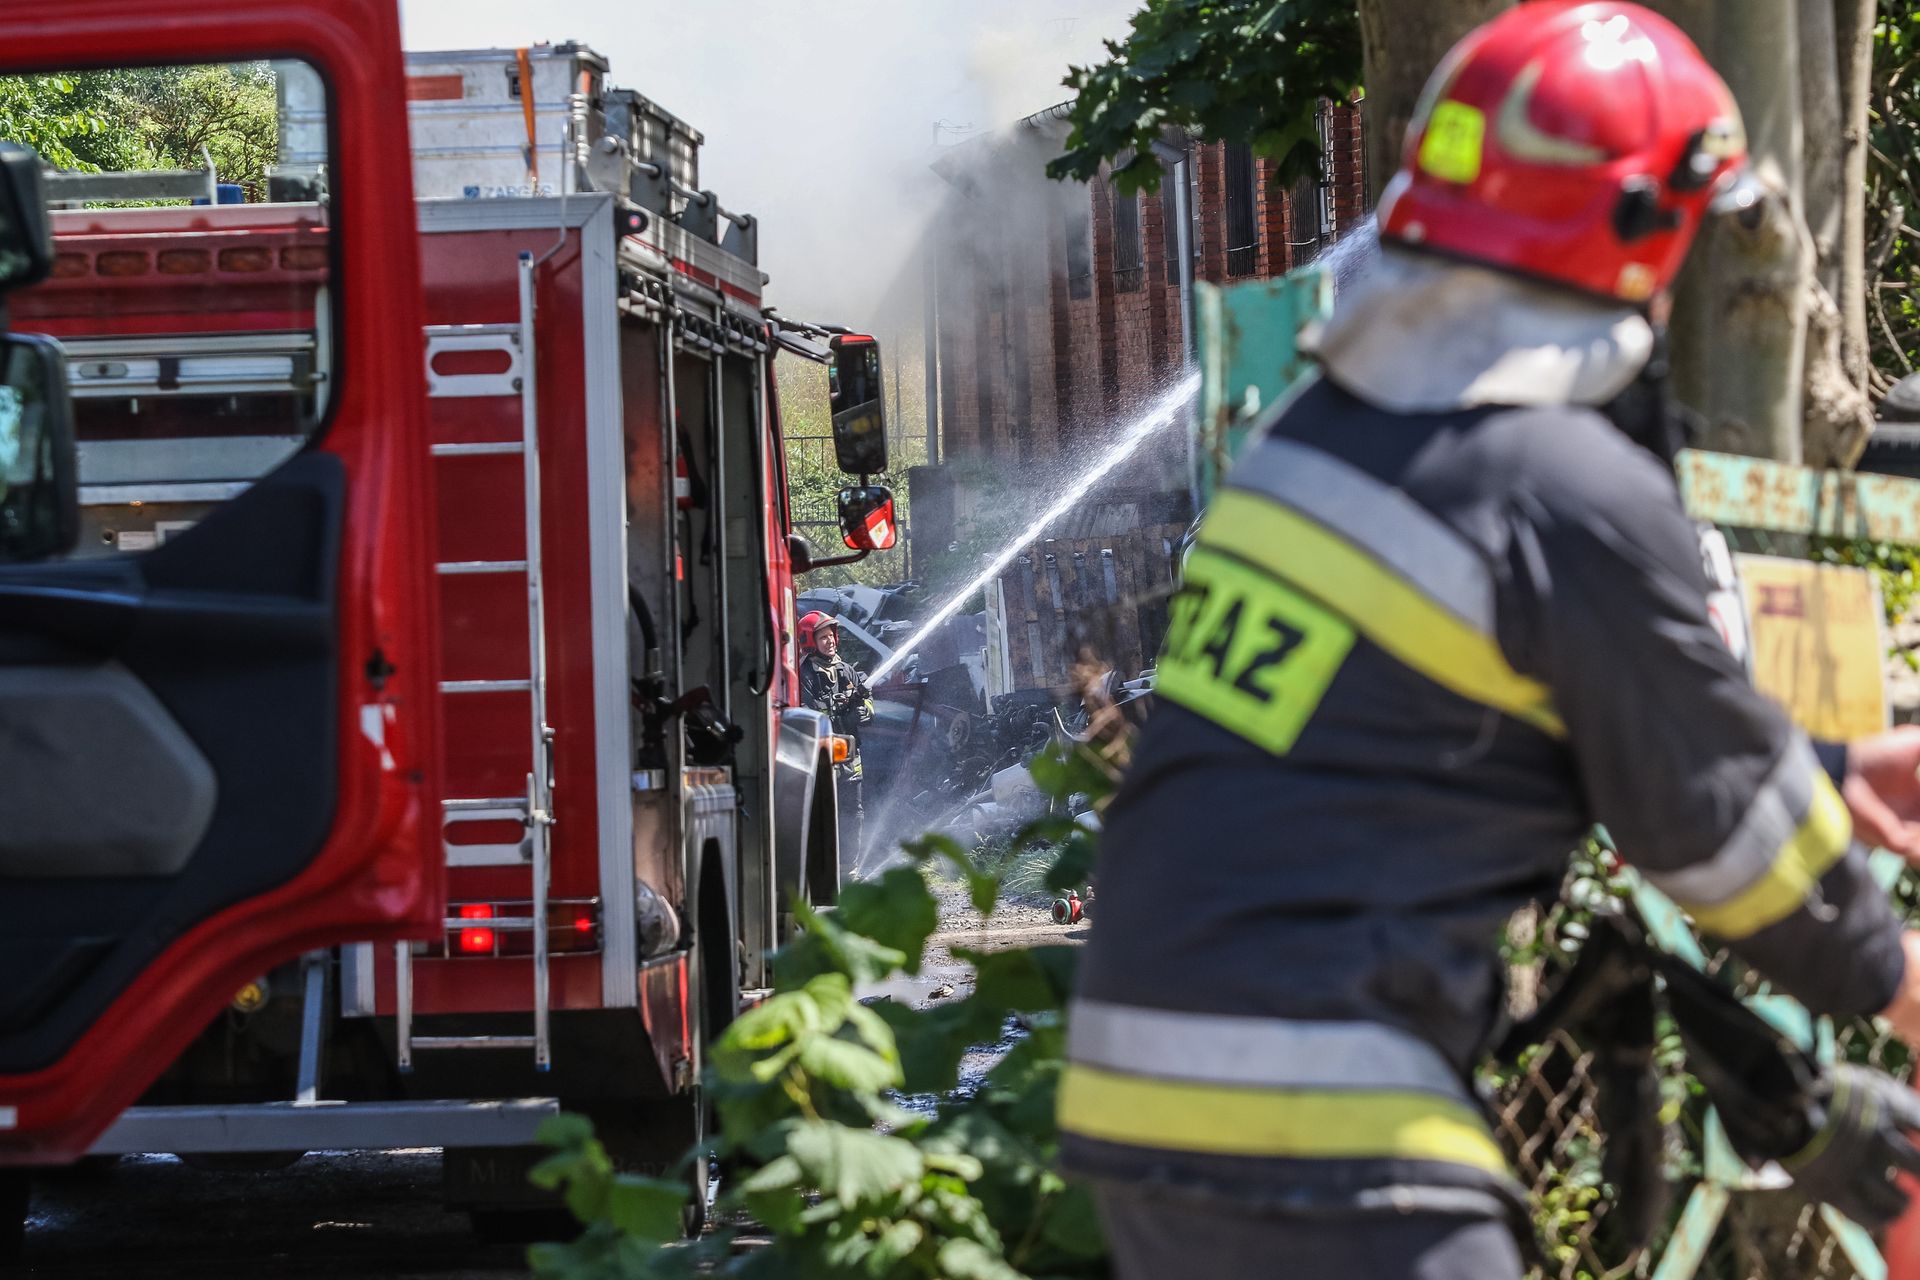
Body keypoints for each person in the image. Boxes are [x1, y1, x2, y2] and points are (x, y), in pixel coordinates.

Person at [1059, 5, 1920, 1277]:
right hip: (1323, 1105)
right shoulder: (1554, 484)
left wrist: (1830, 775)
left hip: (1143, 1082)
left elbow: (1451, 726)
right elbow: (1718, 833)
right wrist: (1896, 976)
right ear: (1643, 230)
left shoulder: (1314, 444)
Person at [797, 610, 874, 865]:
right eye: (822, 637)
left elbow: (869, 704)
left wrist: (864, 711)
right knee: (824, 815)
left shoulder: (847, 670)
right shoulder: (805, 676)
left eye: (831, 636)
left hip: (850, 760)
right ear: (810, 642)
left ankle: (849, 868)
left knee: (853, 814)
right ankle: (823, 868)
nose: (829, 641)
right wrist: (837, 714)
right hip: (822, 761)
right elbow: (808, 717)